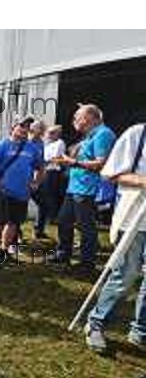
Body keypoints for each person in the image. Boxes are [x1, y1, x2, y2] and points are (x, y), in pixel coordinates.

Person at [84, 123, 146, 353]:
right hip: (134, 220)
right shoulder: (137, 134)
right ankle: (95, 323)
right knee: (126, 274)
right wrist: (143, 181)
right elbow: (110, 173)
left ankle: (140, 330)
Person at [51, 105, 116, 273]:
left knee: (85, 227)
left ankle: (87, 263)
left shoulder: (103, 134)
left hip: (87, 189)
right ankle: (63, 255)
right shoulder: (89, 136)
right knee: (64, 221)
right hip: (75, 188)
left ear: (89, 118)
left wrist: (73, 162)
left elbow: (101, 163)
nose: (74, 122)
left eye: (77, 117)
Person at [0, 116, 45, 268]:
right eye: (21, 126)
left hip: (22, 194)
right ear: (13, 129)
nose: (24, 130)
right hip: (3, 192)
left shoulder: (32, 148)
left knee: (13, 224)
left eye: (27, 128)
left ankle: (4, 253)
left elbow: (41, 167)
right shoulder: (1, 146)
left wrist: (36, 183)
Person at [34, 125, 66, 238]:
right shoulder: (46, 144)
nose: (50, 135)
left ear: (58, 134)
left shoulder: (59, 143)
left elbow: (54, 158)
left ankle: (45, 223)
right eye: (49, 132)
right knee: (42, 200)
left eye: (53, 132)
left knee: (45, 200)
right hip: (43, 172)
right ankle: (41, 225)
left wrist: (42, 162)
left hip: (51, 173)